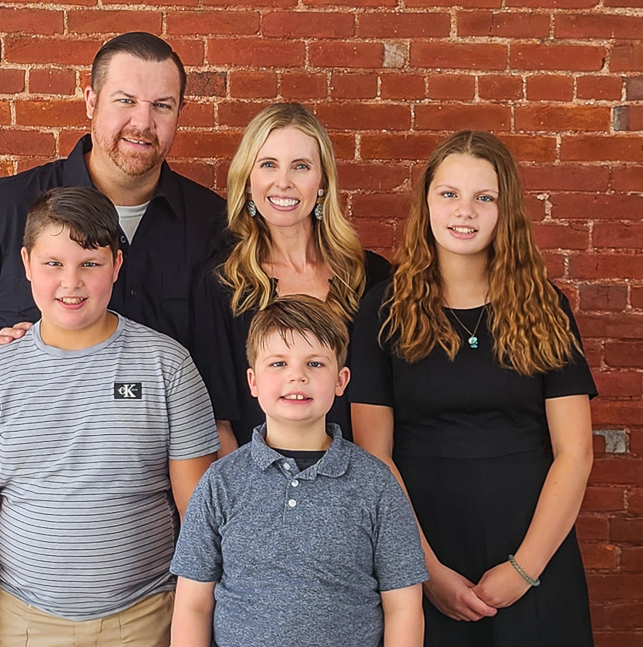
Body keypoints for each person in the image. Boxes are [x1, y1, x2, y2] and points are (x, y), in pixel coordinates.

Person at [0, 187, 219, 647]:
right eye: (54, 264)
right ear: (27, 263)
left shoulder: (167, 365)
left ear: (116, 266)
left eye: (89, 263)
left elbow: (199, 519)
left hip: (147, 619)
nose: (71, 282)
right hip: (22, 623)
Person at [350, 131, 597, 646]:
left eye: (484, 197)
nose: (465, 211)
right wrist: (425, 570)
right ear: (426, 204)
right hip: (421, 543)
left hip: (533, 545)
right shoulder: (383, 310)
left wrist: (524, 568)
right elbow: (375, 455)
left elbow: (574, 453)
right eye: (449, 194)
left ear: (505, 210)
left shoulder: (545, 307)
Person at [0, 31, 226, 383]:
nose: (142, 122)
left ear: (180, 111)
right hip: (33, 436)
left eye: (162, 105)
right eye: (125, 101)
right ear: (91, 101)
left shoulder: (214, 225)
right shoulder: (5, 208)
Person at [171, 294, 428, 647]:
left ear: (341, 381)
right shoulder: (221, 482)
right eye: (278, 364)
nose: (297, 376)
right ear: (253, 381)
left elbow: (403, 606)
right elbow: (193, 606)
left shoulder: (375, 483)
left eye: (315, 364)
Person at [192, 102, 390, 447]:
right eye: (268, 165)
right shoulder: (224, 284)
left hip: (357, 483)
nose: (283, 182)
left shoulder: (369, 277)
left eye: (300, 166)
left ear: (322, 182)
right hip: (260, 486)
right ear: (248, 181)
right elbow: (219, 423)